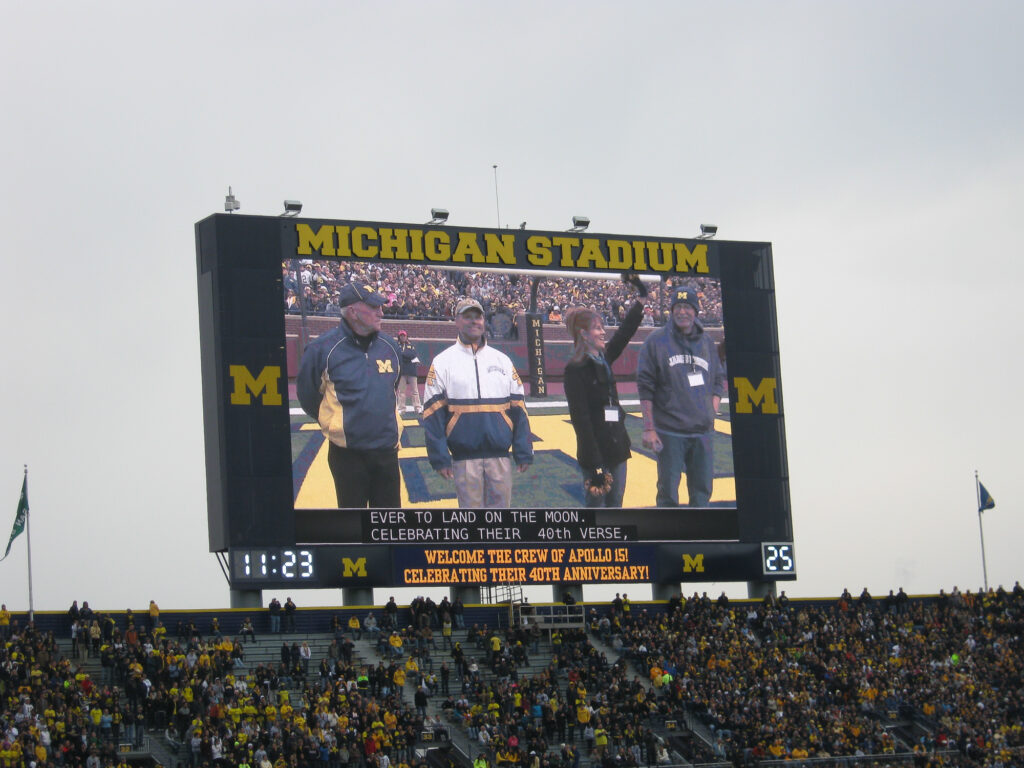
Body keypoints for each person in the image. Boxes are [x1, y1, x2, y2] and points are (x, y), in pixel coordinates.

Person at [297, 281, 403, 508]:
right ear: (353, 312)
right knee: (353, 521)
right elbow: (308, 396)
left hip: (386, 451)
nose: (381, 312)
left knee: (390, 522)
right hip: (348, 455)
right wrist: (335, 422)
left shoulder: (391, 346)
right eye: (374, 307)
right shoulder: (321, 349)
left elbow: (391, 388)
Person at [423, 298, 533, 507]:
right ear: (457, 321)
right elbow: (432, 415)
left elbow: (519, 409)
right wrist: (439, 457)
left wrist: (523, 449)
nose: (474, 321)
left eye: (478, 316)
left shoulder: (502, 360)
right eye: (467, 317)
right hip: (464, 459)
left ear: (484, 321)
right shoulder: (442, 362)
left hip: (500, 457)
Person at [637, 285, 726, 507]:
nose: (682, 312)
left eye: (687, 307)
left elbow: (717, 378)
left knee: (702, 493)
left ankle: (698, 529)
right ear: (671, 310)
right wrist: (649, 427)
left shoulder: (706, 342)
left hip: (702, 432)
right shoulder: (656, 341)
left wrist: (712, 408)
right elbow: (645, 386)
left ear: (696, 310)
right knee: (667, 493)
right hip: (670, 432)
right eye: (677, 306)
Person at [563, 274, 647, 507]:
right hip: (595, 453)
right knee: (596, 507)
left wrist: (641, 298)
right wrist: (595, 462)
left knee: (616, 503)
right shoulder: (575, 369)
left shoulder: (604, 357)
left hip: (617, 447)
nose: (603, 332)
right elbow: (581, 420)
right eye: (597, 328)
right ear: (583, 334)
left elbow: (624, 333)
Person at [396, 330, 423, 414]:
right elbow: (397, 355)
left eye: (404, 336)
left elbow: (412, 355)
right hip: (402, 372)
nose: (403, 337)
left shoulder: (411, 346)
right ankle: (401, 408)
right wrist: (406, 355)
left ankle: (417, 407)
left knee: (415, 391)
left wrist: (403, 354)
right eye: (401, 336)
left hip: (412, 371)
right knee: (401, 391)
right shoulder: (397, 346)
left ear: (406, 336)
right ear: (399, 337)